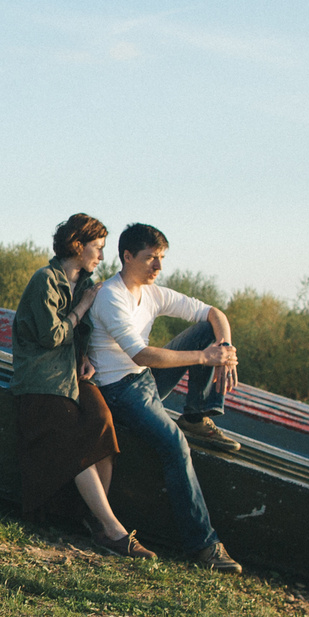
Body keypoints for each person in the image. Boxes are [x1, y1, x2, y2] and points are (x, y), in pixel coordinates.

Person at [85, 223, 243, 573]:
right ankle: (204, 547)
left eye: (161, 259)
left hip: (144, 381)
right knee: (175, 446)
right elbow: (141, 355)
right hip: (119, 390)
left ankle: (195, 415)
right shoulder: (111, 297)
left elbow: (213, 313)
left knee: (206, 330)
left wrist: (226, 346)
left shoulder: (151, 292)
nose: (158, 267)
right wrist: (205, 358)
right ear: (127, 256)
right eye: (150, 259)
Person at [10, 214, 144, 557]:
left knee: (103, 423)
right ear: (78, 245)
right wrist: (82, 308)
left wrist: (84, 355)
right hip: (41, 378)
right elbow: (52, 336)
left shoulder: (86, 284)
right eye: (97, 248)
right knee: (74, 437)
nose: (101, 256)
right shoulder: (46, 280)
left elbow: (79, 336)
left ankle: (94, 521)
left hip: (71, 374)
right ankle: (113, 530)